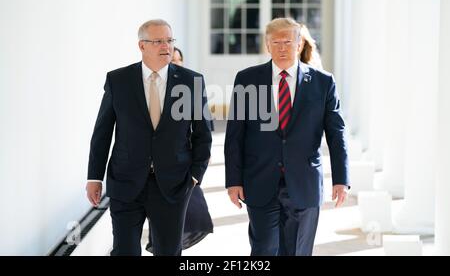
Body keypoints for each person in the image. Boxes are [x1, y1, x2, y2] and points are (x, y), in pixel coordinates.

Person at [86, 19, 212, 256]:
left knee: (168, 251)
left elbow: (203, 133)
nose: (166, 46)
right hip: (125, 180)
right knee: (125, 251)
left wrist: (195, 175)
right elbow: (102, 132)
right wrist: (94, 177)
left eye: (169, 41)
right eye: (158, 41)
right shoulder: (118, 80)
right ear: (142, 46)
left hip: (173, 183)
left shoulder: (191, 81)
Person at [225, 17, 350, 256]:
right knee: (263, 249)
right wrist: (233, 180)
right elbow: (235, 135)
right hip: (260, 181)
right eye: (276, 42)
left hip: (304, 183)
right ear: (267, 45)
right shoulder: (247, 79)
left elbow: (336, 134)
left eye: (288, 42)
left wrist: (341, 178)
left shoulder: (323, 82)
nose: (282, 47)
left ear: (299, 44)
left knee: (297, 251)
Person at [145, 46, 214, 253]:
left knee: (172, 234)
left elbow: (204, 134)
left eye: (178, 60)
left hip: (180, 172)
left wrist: (195, 174)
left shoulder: (190, 87)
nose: (173, 63)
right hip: (147, 173)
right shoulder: (148, 87)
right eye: (170, 59)